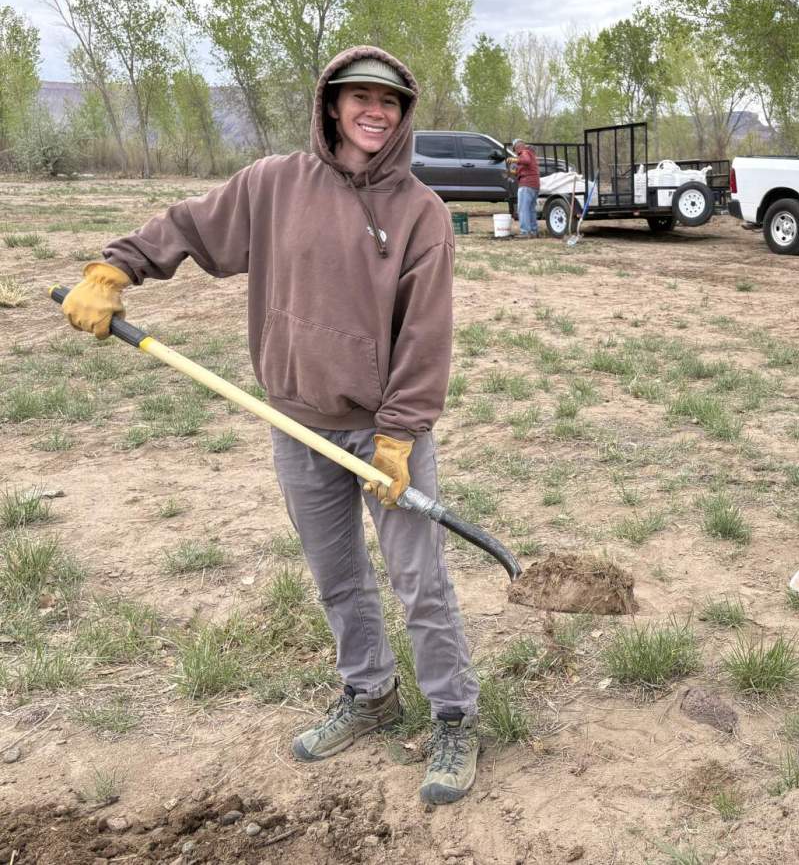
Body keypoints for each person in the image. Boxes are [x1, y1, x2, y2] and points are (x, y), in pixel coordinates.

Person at [59, 46, 482, 807]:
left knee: (420, 581)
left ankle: (454, 716)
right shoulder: (272, 185)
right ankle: (370, 694)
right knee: (338, 577)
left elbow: (427, 335)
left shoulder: (422, 213)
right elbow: (190, 225)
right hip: (294, 423)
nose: (375, 112)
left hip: (385, 436)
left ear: (404, 112)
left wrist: (401, 431)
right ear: (331, 104)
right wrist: (117, 268)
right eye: (360, 98)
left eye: (388, 102)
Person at [508, 138, 540, 237]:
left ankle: (525, 232)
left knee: (522, 209)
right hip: (534, 184)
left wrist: (515, 159)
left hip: (526, 185)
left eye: (515, 149)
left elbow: (525, 160)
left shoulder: (524, 152)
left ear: (517, 147)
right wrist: (513, 170)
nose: (516, 152)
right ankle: (534, 231)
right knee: (531, 209)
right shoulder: (531, 154)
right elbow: (519, 170)